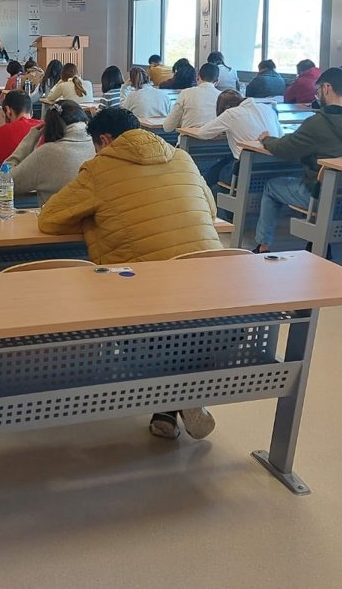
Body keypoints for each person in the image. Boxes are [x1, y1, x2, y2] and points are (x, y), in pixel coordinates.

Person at [39, 106, 222, 442]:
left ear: (105, 140)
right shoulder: (182, 158)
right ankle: (179, 401)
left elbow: (49, 219)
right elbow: (210, 210)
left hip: (148, 303)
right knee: (176, 319)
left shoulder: (100, 168)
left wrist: (94, 216)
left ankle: (174, 399)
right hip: (214, 295)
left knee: (140, 309)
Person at [253, 67, 342, 253]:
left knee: (271, 186)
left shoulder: (318, 122)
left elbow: (284, 149)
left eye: (317, 90)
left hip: (320, 196)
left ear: (326, 88)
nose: (316, 95)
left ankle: (263, 245)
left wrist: (267, 139)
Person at [185, 89, 282, 187]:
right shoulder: (267, 109)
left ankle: (202, 191)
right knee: (226, 160)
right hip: (274, 171)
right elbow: (280, 135)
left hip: (245, 173)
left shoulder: (231, 114)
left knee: (214, 172)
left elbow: (202, 133)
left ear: (226, 107)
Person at [5, 101, 95, 205]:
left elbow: (3, 184)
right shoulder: (100, 146)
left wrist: (30, 139)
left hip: (56, 214)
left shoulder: (46, 153)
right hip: (96, 214)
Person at [164, 62, 222, 132]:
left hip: (189, 138)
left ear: (198, 77)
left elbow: (168, 127)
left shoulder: (186, 93)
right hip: (216, 138)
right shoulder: (222, 96)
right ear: (217, 81)